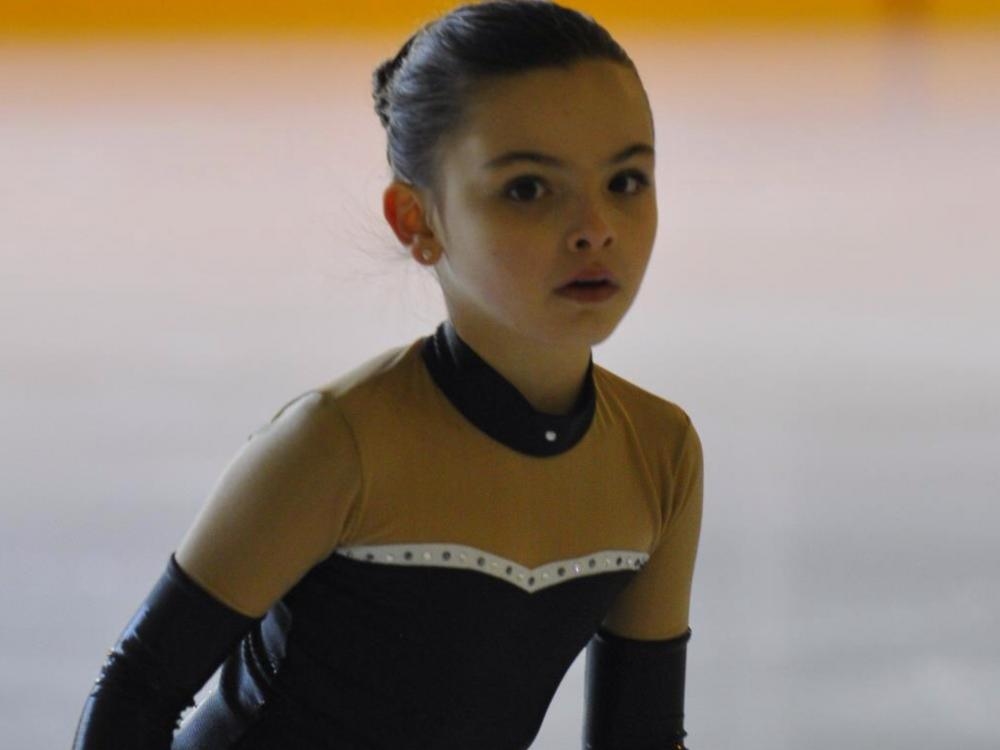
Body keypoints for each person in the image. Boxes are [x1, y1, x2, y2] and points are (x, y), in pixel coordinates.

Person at [71, 1, 704, 748]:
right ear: (418, 222)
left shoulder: (659, 455)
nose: (595, 228)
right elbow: (134, 697)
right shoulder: (336, 447)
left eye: (626, 181)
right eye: (528, 189)